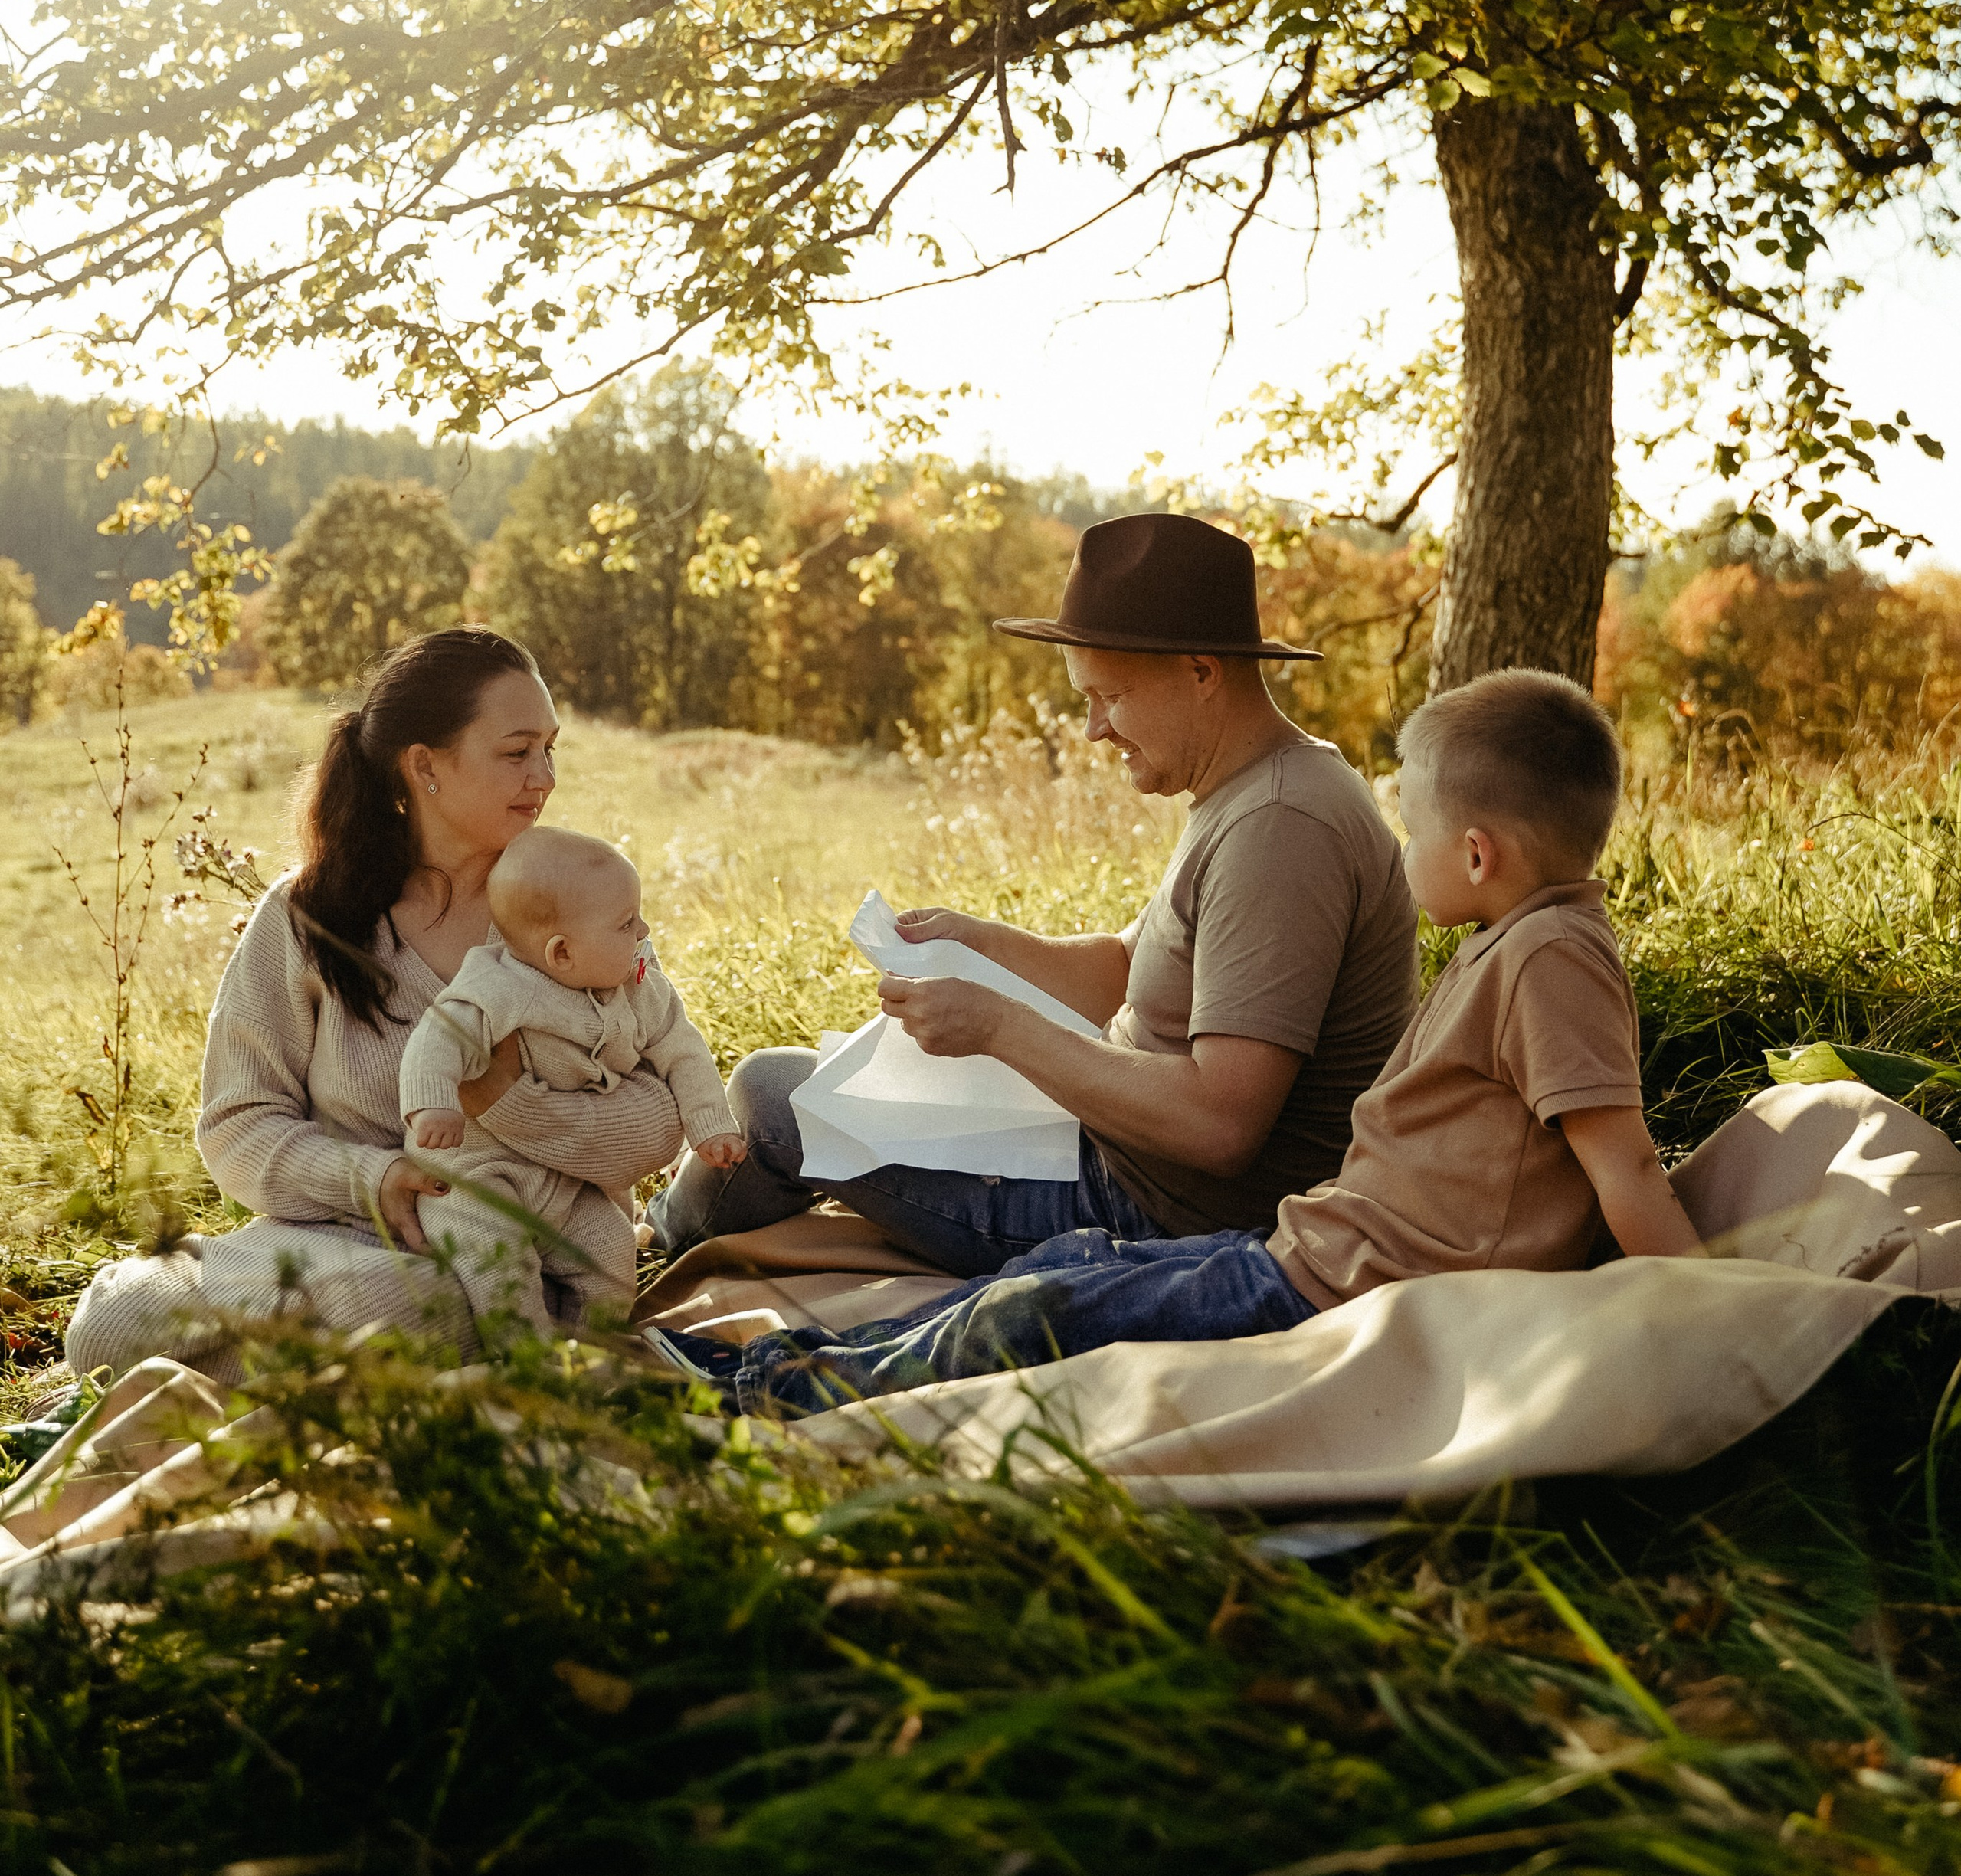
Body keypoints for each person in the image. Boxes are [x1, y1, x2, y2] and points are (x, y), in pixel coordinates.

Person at [650, 668, 1701, 1414]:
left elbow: (1625, 1162)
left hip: (1337, 1287)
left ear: (1477, 853)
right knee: (1060, 1273)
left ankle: (762, 1387)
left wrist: (1716, 1315)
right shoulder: (1513, 939)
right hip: (1314, 1250)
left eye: (1414, 829)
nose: (1402, 846)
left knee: (1036, 1312)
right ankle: (782, 1362)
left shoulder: (1549, 959)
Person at [650, 512, 1419, 1275]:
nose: (1092, 731)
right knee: (811, 1081)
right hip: (1109, 1153)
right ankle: (673, 1228)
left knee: (769, 1098)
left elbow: (1219, 1126)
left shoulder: (1279, 828)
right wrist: (983, 942)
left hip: (1148, 1213)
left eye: (1107, 697)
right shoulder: (1258, 790)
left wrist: (999, 1028)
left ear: (1201, 673)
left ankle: (652, 1247)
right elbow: (1131, 967)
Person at [64, 630, 686, 1383]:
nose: (544, 777)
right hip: (328, 1237)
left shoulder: (572, 915)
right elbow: (237, 1125)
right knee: (113, 1324)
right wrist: (370, 1179)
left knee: (417, 1301)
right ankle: (315, 1365)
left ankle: (307, 1365)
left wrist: (514, 1103)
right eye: (516, 752)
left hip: (517, 1255)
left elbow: (661, 1118)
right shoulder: (309, 915)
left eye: (551, 749)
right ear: (424, 765)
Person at [398, 827, 741, 1338]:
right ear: (561, 954)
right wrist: (433, 1104)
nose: (645, 930)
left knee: (610, 1258)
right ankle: (529, 1365)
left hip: (572, 1181)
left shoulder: (638, 983)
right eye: (627, 924)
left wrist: (709, 1124)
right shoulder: (497, 986)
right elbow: (436, 1039)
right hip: (479, 1175)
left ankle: (595, 1348)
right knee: (498, 1270)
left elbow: (682, 1049)